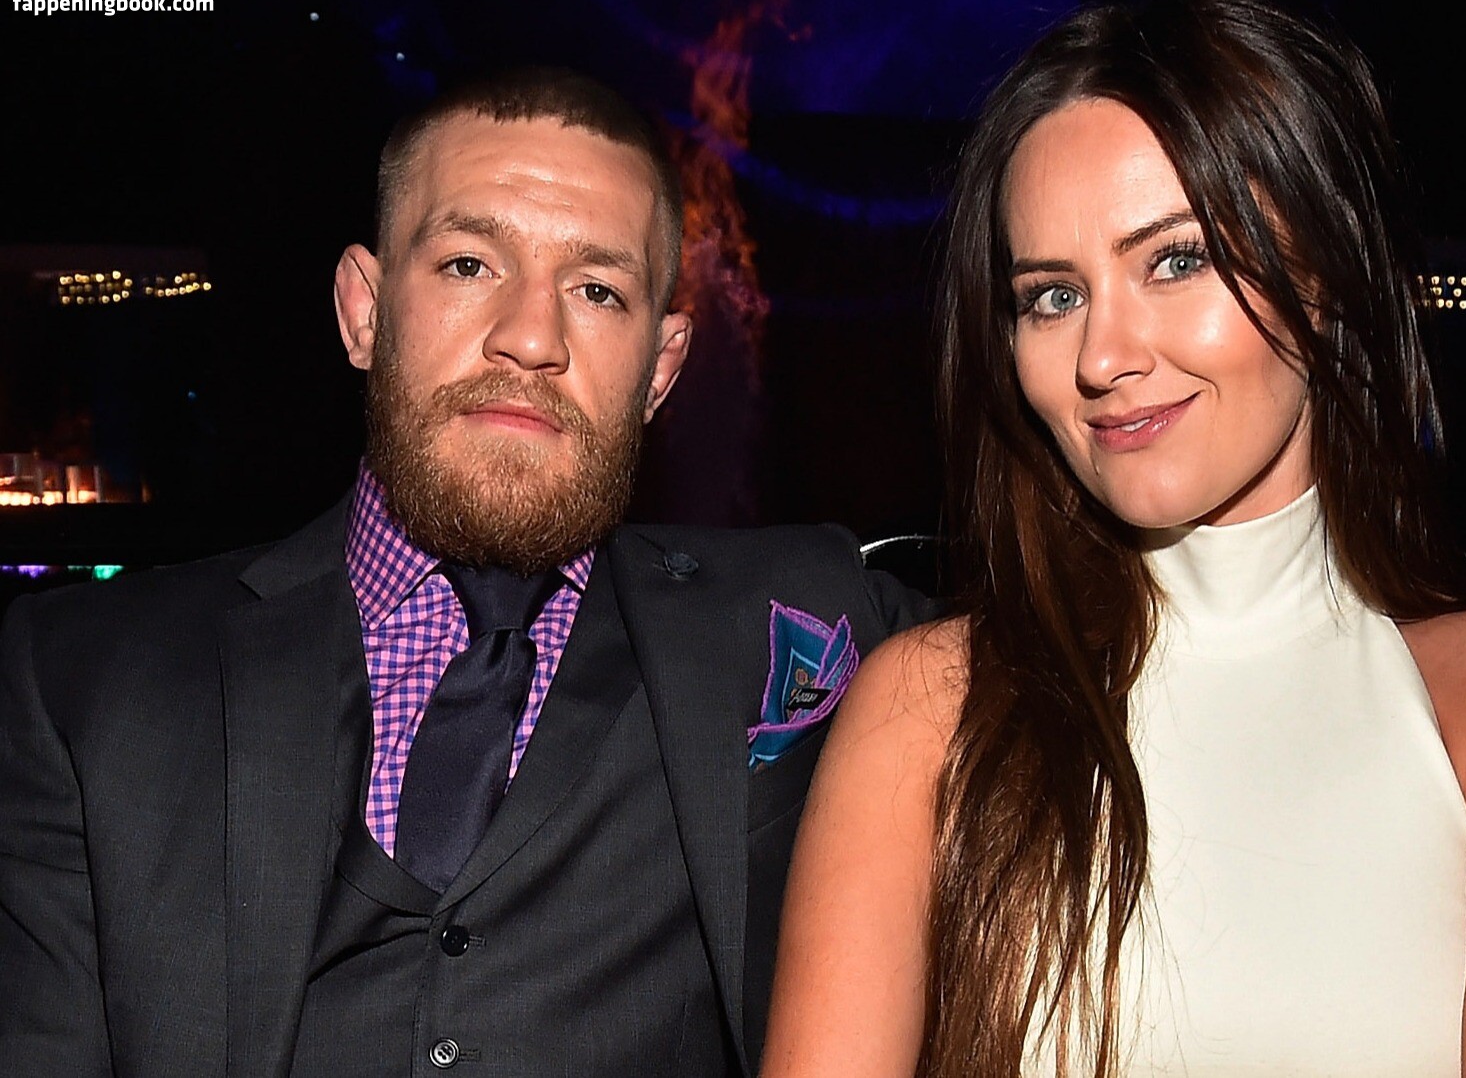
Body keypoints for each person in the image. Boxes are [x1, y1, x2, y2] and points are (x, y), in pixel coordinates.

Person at [762, 0, 1466, 1075]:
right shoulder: (927, 710)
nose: (1101, 356)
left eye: (1174, 261)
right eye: (1050, 296)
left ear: (1323, 275)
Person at [0, 67, 930, 1077]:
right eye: (467, 265)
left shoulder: (803, 609)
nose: (529, 338)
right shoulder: (85, 681)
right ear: (364, 312)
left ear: (659, 371)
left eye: (596, 290)